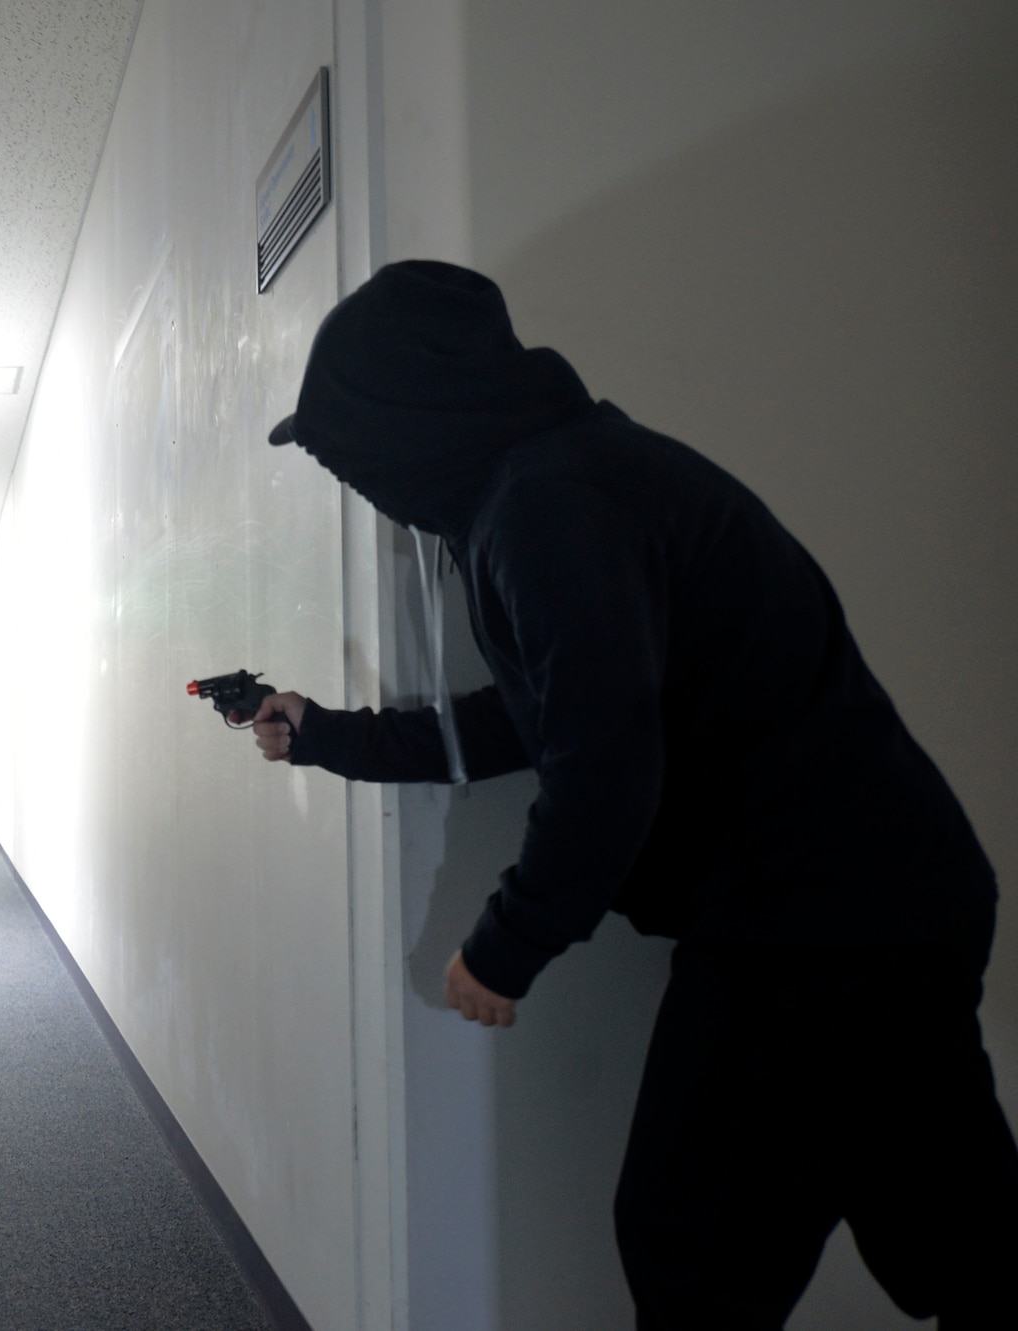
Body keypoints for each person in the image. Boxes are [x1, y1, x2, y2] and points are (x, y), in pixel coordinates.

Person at [251, 260, 1017, 1327]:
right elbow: (531, 716)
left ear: (412, 415)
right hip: (880, 899)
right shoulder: (551, 484)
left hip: (817, 921)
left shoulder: (548, 505)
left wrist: (507, 940)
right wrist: (327, 733)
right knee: (956, 1237)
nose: (356, 482)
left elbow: (602, 765)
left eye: (350, 450)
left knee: (690, 1242)